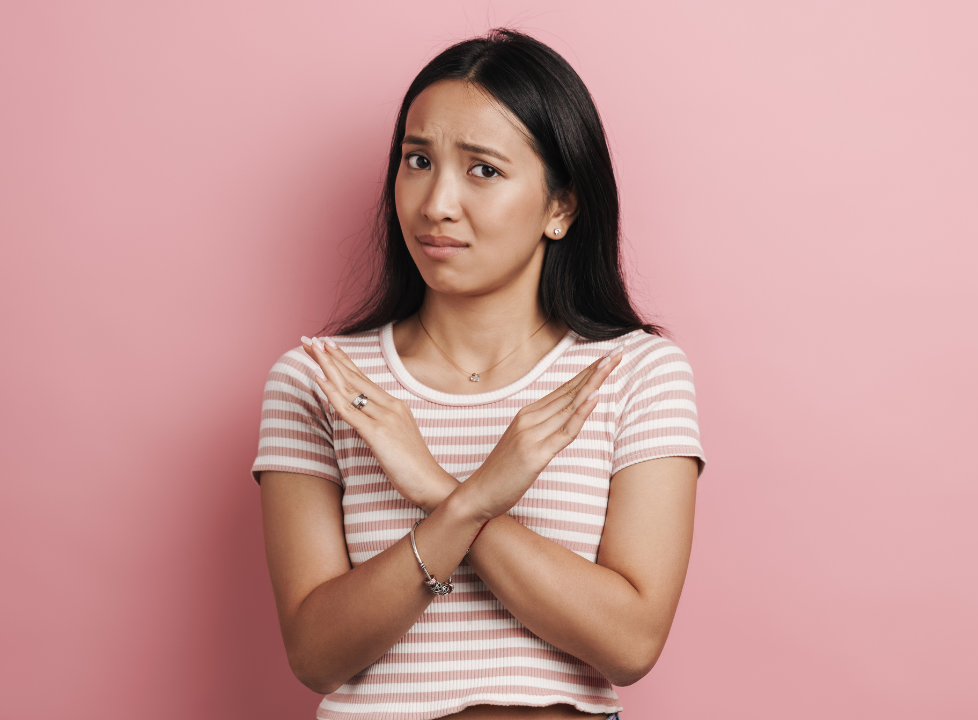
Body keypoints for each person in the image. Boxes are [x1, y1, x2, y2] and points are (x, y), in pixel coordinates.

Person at [251, 29, 705, 720]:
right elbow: (317, 655)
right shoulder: (321, 381)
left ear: (561, 207)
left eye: (483, 170)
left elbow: (629, 642)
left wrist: (437, 486)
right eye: (417, 160)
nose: (435, 203)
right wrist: (469, 502)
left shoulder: (635, 373)